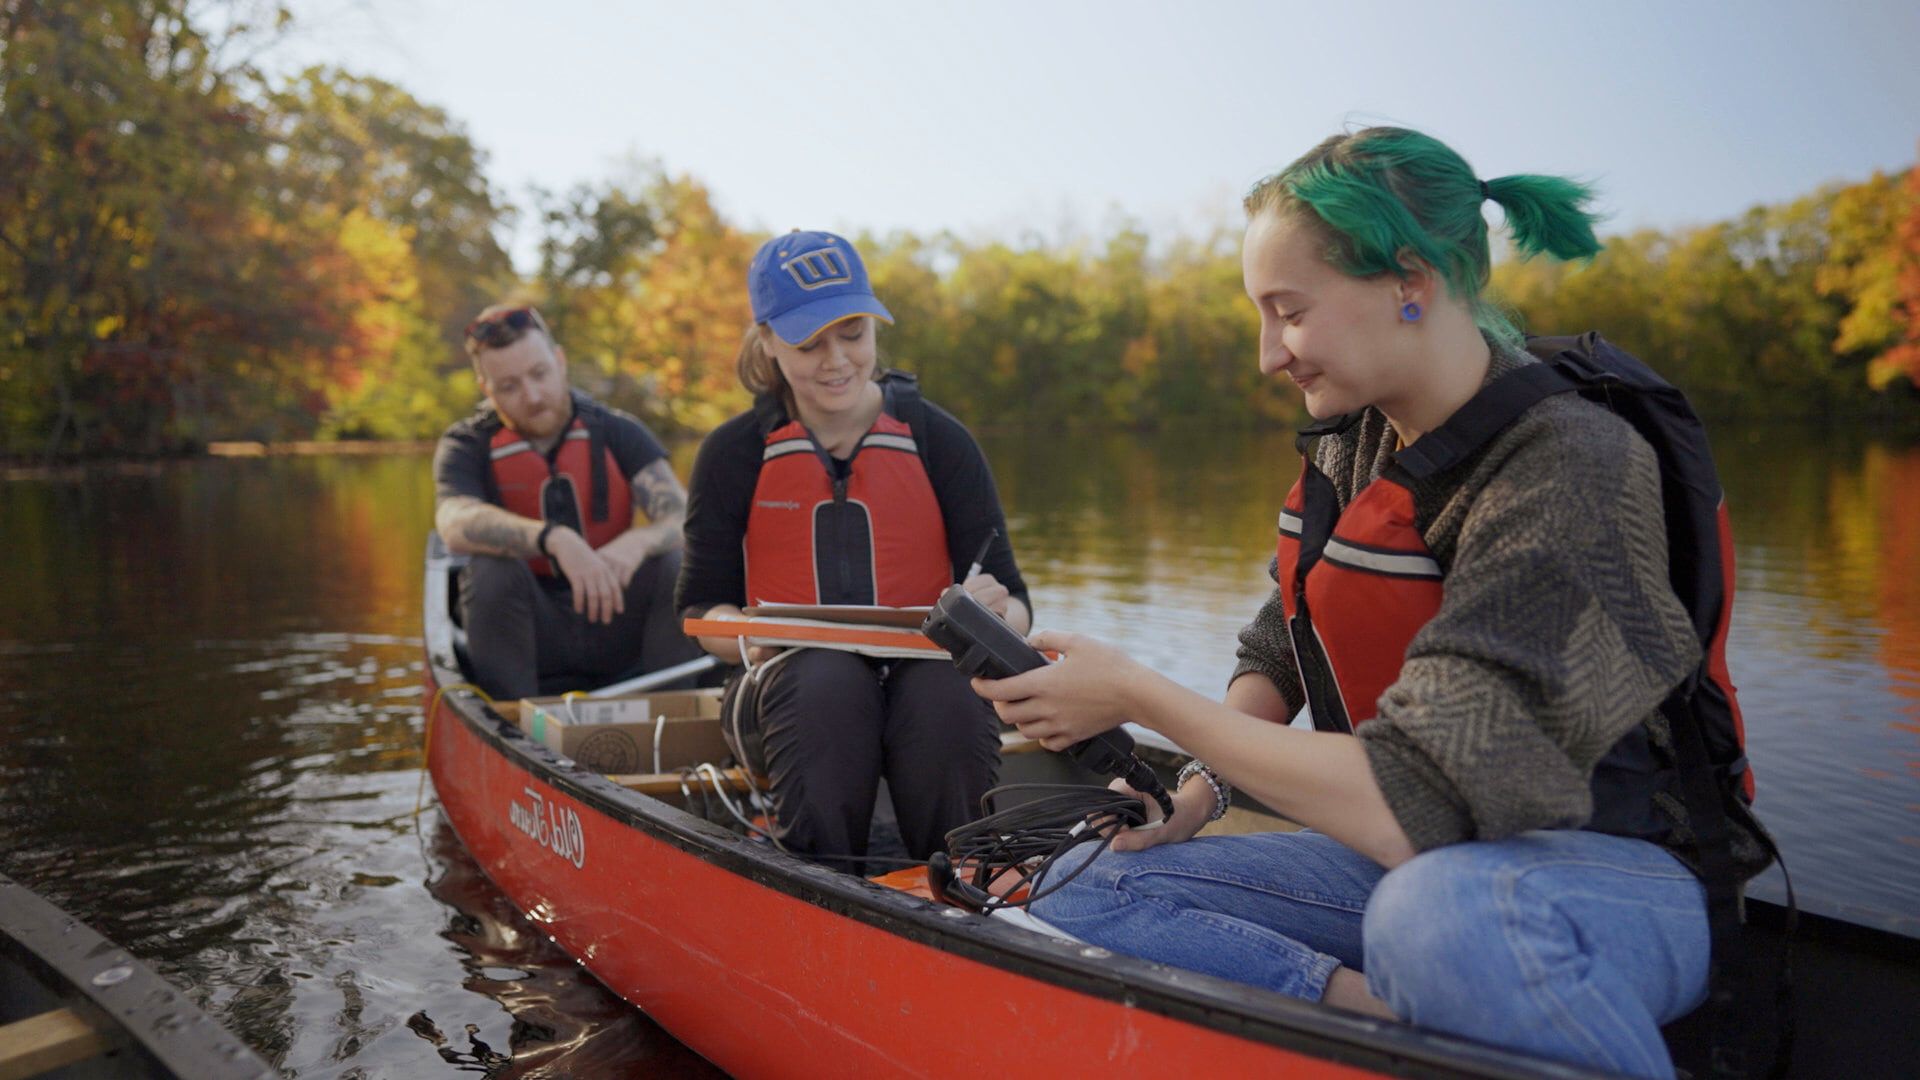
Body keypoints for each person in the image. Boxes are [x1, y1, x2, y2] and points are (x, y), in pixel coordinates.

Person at [972, 128, 1770, 1079]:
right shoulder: (1353, 444)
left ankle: (1450, 1003)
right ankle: (1389, 1019)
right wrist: (1193, 795)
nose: (1271, 354)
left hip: (1608, 881)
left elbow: (1420, 806)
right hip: (1416, 865)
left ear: (1412, 282)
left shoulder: (1569, 466)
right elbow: (1279, 645)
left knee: (1440, 915)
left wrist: (1137, 694)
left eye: (1290, 311)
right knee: (1080, 881)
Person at [676, 229, 1029, 874]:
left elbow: (1015, 600)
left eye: (853, 334)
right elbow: (701, 610)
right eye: (809, 343)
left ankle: (963, 881)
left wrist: (995, 613)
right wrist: (758, 629)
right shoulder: (732, 454)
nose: (836, 360)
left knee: (947, 690)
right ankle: (823, 882)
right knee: (827, 683)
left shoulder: (940, 440)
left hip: (924, 679)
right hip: (783, 690)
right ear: (768, 343)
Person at [434, 304, 704, 701]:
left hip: (616, 620)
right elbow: (454, 520)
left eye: (539, 374)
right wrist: (553, 539)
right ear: (485, 388)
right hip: (530, 634)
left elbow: (682, 515)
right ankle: (514, 729)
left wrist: (638, 542)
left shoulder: (617, 430)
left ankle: (670, 716)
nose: (533, 396)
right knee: (490, 570)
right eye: (508, 386)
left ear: (559, 362)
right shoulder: (466, 444)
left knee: (678, 563)